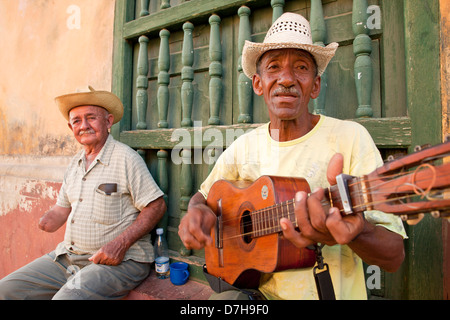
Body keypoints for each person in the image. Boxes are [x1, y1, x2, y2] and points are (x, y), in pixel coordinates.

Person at [178, 13, 407, 300]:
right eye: (274, 67)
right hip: (257, 293)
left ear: (315, 85)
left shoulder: (350, 138)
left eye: (300, 67)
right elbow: (204, 195)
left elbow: (394, 256)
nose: (286, 79)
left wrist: (357, 231)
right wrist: (197, 210)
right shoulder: (243, 146)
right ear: (258, 84)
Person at [0, 86, 166, 299]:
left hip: (118, 261)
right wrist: (46, 219)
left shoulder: (126, 159)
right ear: (71, 127)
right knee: (6, 290)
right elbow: (62, 208)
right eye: (77, 121)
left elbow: (156, 205)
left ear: (108, 122)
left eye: (91, 118)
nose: (84, 126)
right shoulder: (75, 163)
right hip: (68, 258)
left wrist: (120, 244)